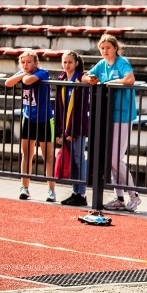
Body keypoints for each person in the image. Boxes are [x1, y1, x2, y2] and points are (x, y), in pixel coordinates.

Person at [83, 34, 141, 212]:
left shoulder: (122, 62)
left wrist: (109, 82)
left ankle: (134, 196)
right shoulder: (102, 64)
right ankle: (120, 198)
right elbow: (85, 76)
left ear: (115, 48)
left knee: (115, 159)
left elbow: (129, 79)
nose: (105, 51)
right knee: (111, 159)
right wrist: (91, 79)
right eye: (102, 48)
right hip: (108, 115)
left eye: (108, 47)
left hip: (123, 115)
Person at [4, 49, 56, 202]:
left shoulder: (43, 73)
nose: (26, 65)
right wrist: (22, 72)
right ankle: (24, 187)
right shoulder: (22, 72)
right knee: (27, 154)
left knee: (48, 156)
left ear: (36, 63)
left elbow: (27, 81)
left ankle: (51, 190)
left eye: (29, 62)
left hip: (45, 119)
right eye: (23, 62)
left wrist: (22, 74)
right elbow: (8, 83)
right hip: (28, 118)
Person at [55, 51, 90, 207]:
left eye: (70, 62)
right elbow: (59, 107)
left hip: (78, 127)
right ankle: (75, 192)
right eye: (64, 62)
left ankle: (82, 194)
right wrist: (59, 131)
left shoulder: (80, 78)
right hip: (65, 128)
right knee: (72, 162)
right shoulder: (62, 78)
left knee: (78, 159)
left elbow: (81, 109)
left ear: (76, 63)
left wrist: (72, 131)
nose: (66, 65)